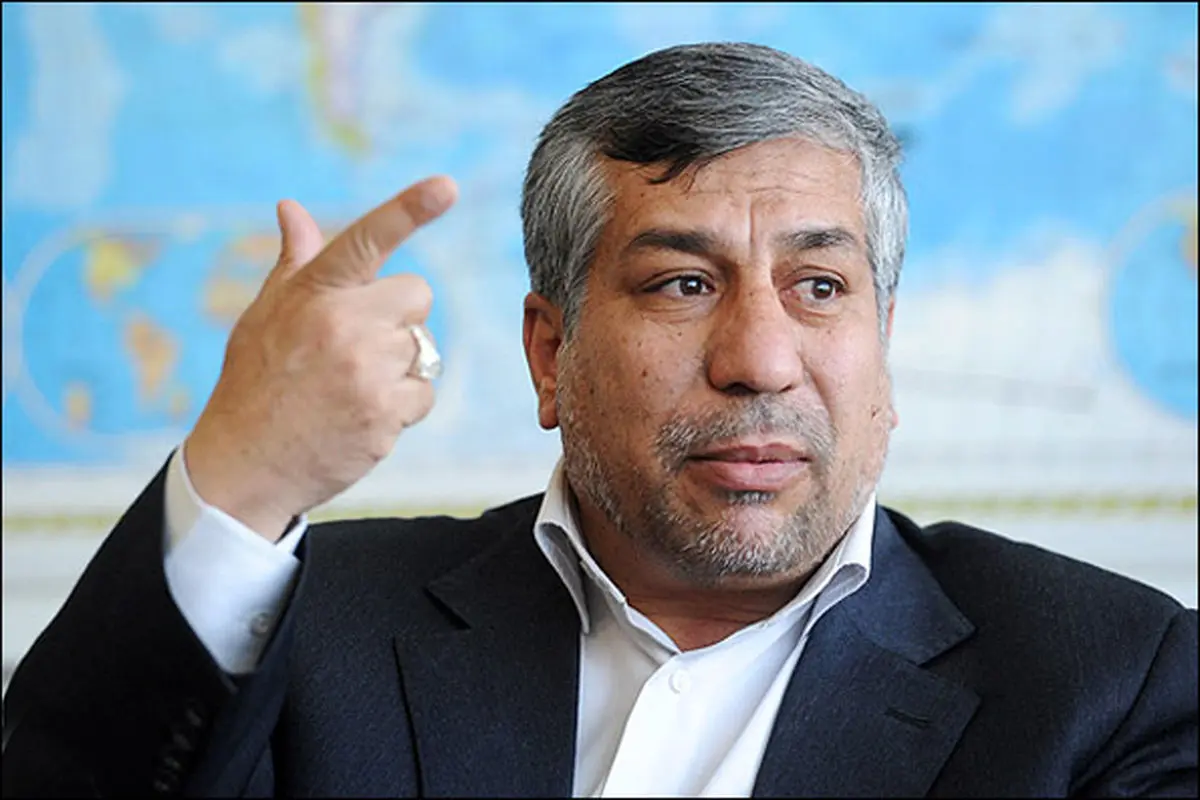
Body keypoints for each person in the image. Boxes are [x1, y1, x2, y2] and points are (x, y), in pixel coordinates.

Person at [2, 42, 1196, 799]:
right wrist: (244, 474)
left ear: (882, 344)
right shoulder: (306, 628)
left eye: (820, 286)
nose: (759, 359)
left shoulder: (1111, 680)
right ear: (551, 352)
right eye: (682, 282)